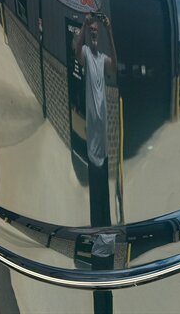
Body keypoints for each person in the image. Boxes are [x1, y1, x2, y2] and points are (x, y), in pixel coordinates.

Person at [74, 12, 117, 228]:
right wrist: (84, 25)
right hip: (91, 140)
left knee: (105, 196)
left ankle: (105, 229)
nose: (93, 33)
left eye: (95, 31)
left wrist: (109, 31)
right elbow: (76, 52)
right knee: (94, 192)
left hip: (104, 141)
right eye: (92, 31)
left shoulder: (102, 59)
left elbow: (115, 67)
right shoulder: (86, 54)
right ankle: (96, 229)